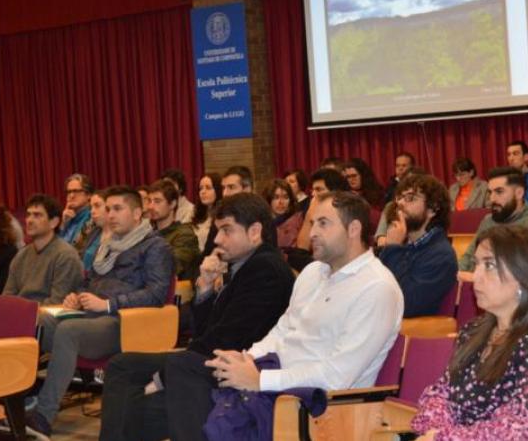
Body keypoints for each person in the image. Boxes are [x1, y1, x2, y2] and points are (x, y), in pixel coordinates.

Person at [161, 191, 404, 441]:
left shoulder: (377, 288)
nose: (312, 233)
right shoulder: (313, 273)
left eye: (323, 224)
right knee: (183, 372)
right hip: (272, 382)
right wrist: (246, 359)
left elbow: (337, 376)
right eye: (312, 223)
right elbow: (282, 331)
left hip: (314, 405)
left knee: (183, 378)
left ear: (353, 229)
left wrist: (261, 380)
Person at [98, 193, 295, 441]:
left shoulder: (265, 269)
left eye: (226, 230)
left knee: (133, 407)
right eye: (217, 230)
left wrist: (162, 378)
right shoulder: (243, 265)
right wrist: (205, 289)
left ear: (255, 232)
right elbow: (205, 331)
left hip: (239, 371)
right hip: (213, 360)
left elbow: (230, 340)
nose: (218, 239)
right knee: (123, 368)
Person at [26, 186, 174, 436]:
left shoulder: (155, 247)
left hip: (125, 323)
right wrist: (76, 296)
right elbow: (88, 283)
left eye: (117, 209)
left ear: (137, 213)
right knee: (37, 319)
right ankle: (13, 401)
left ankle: (43, 415)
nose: (111, 214)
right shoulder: (107, 245)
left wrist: (107, 305)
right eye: (108, 209)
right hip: (90, 317)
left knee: (69, 331)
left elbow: (156, 294)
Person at [411, 225, 528, 439]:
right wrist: (436, 432)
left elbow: (519, 429)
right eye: (477, 264)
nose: (476, 276)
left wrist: (443, 438)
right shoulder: (473, 332)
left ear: (524, 276)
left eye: (490, 265)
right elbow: (438, 395)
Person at [380, 174, 456, 317]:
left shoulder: (440, 255)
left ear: (433, 209)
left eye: (410, 198)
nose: (400, 203)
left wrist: (393, 248)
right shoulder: (403, 245)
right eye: (399, 198)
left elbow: (405, 305)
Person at [2, 194, 83, 304]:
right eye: (28, 215)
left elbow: (58, 302)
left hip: (48, 312)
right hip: (21, 311)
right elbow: (7, 297)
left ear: (54, 222)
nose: (29, 220)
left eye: (37, 215)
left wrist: (24, 310)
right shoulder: (21, 255)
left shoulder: (65, 255)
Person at [459, 167, 528, 272]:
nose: (492, 199)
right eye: (490, 192)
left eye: (499, 192)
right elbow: (469, 257)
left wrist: (473, 277)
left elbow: (524, 274)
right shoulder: (488, 221)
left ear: (519, 193)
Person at [146, 180, 200, 280]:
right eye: (149, 201)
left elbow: (170, 267)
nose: (150, 206)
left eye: (157, 201)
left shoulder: (185, 235)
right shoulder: (148, 234)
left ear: (172, 204)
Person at [263, 178, 303, 249]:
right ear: (269, 200)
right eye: (276, 197)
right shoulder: (263, 223)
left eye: (285, 197)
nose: (281, 202)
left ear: (290, 200)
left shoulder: (298, 220)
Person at [77, 190, 110, 272]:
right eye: (91, 207)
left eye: (97, 206)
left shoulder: (120, 236)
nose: (92, 211)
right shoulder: (93, 232)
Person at [60, 173, 93, 247]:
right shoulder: (67, 218)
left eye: (76, 191)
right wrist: (63, 224)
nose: (71, 196)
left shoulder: (92, 218)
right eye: (69, 192)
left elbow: (78, 248)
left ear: (88, 195)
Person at [192, 173, 223, 253]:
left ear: (218, 190)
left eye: (208, 188)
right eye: (201, 188)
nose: (203, 192)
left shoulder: (222, 216)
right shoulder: (196, 214)